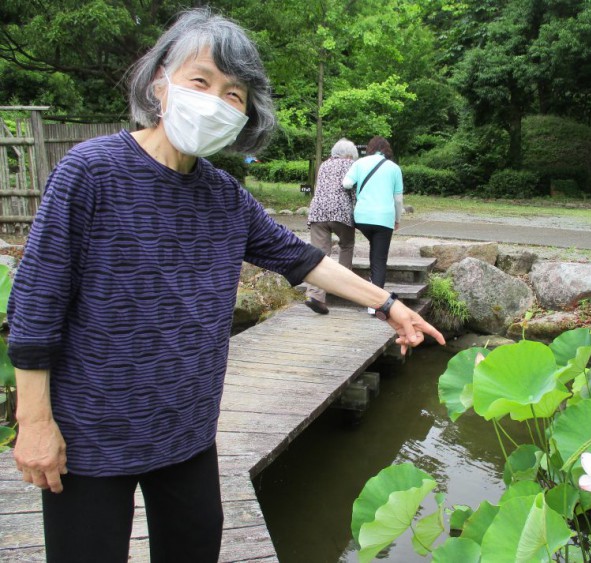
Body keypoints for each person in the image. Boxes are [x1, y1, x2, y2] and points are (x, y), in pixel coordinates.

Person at [6, 9, 444, 563]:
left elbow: (301, 257)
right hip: (91, 433)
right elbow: (35, 308)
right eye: (201, 81)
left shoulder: (222, 195)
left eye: (234, 94)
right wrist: (35, 422)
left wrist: (388, 304)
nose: (216, 100)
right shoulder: (90, 172)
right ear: (159, 81)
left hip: (187, 429)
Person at [343, 136, 404, 315]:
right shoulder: (394, 168)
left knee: (374, 248)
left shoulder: (360, 163)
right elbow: (398, 199)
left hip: (362, 217)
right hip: (384, 219)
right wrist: (397, 219)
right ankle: (375, 304)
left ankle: (371, 288)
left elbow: (346, 183)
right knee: (379, 259)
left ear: (369, 148)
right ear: (387, 150)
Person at [304, 138, 359, 314]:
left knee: (319, 254)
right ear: (350, 155)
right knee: (346, 245)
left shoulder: (324, 165)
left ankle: (315, 294)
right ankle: (343, 287)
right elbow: (353, 192)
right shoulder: (351, 166)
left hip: (318, 211)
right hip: (340, 212)